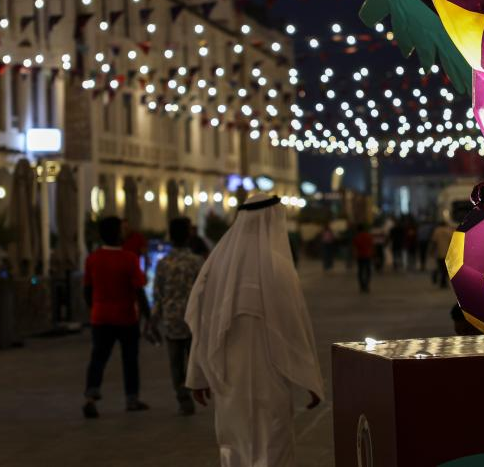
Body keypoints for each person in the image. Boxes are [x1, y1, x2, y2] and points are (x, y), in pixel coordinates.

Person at [185, 194, 324, 467]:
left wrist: (197, 375)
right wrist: (311, 378)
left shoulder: (216, 266)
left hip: (229, 380)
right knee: (271, 450)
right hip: (269, 380)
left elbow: (203, 325)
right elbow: (294, 329)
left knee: (236, 448)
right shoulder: (279, 267)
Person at [82, 216, 150, 419]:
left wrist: (94, 307)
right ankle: (132, 399)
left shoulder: (92, 259)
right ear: (117, 233)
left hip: (100, 316)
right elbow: (139, 290)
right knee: (130, 359)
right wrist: (148, 315)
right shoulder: (129, 258)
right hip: (126, 316)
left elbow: (87, 290)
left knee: (98, 357)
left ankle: (90, 397)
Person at [148, 216, 204, 416]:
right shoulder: (197, 262)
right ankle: (197, 389)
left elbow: (157, 295)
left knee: (175, 363)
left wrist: (153, 321)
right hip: (194, 319)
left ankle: (183, 398)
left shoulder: (164, 264)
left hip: (171, 321)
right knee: (195, 359)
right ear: (189, 235)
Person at [430, 215, 455, 289]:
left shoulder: (437, 230)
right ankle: (443, 282)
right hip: (448, 253)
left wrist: (431, 251)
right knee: (446, 269)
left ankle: (441, 280)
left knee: (440, 267)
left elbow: (434, 242)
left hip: (439, 252)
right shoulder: (449, 230)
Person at [351, 224, 374, 293]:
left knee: (360, 271)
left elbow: (354, 247)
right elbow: (372, 245)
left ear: (358, 230)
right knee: (368, 271)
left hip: (360, 256)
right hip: (368, 255)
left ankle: (362, 286)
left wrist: (354, 255)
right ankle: (366, 284)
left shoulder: (357, 237)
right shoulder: (369, 236)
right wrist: (373, 254)